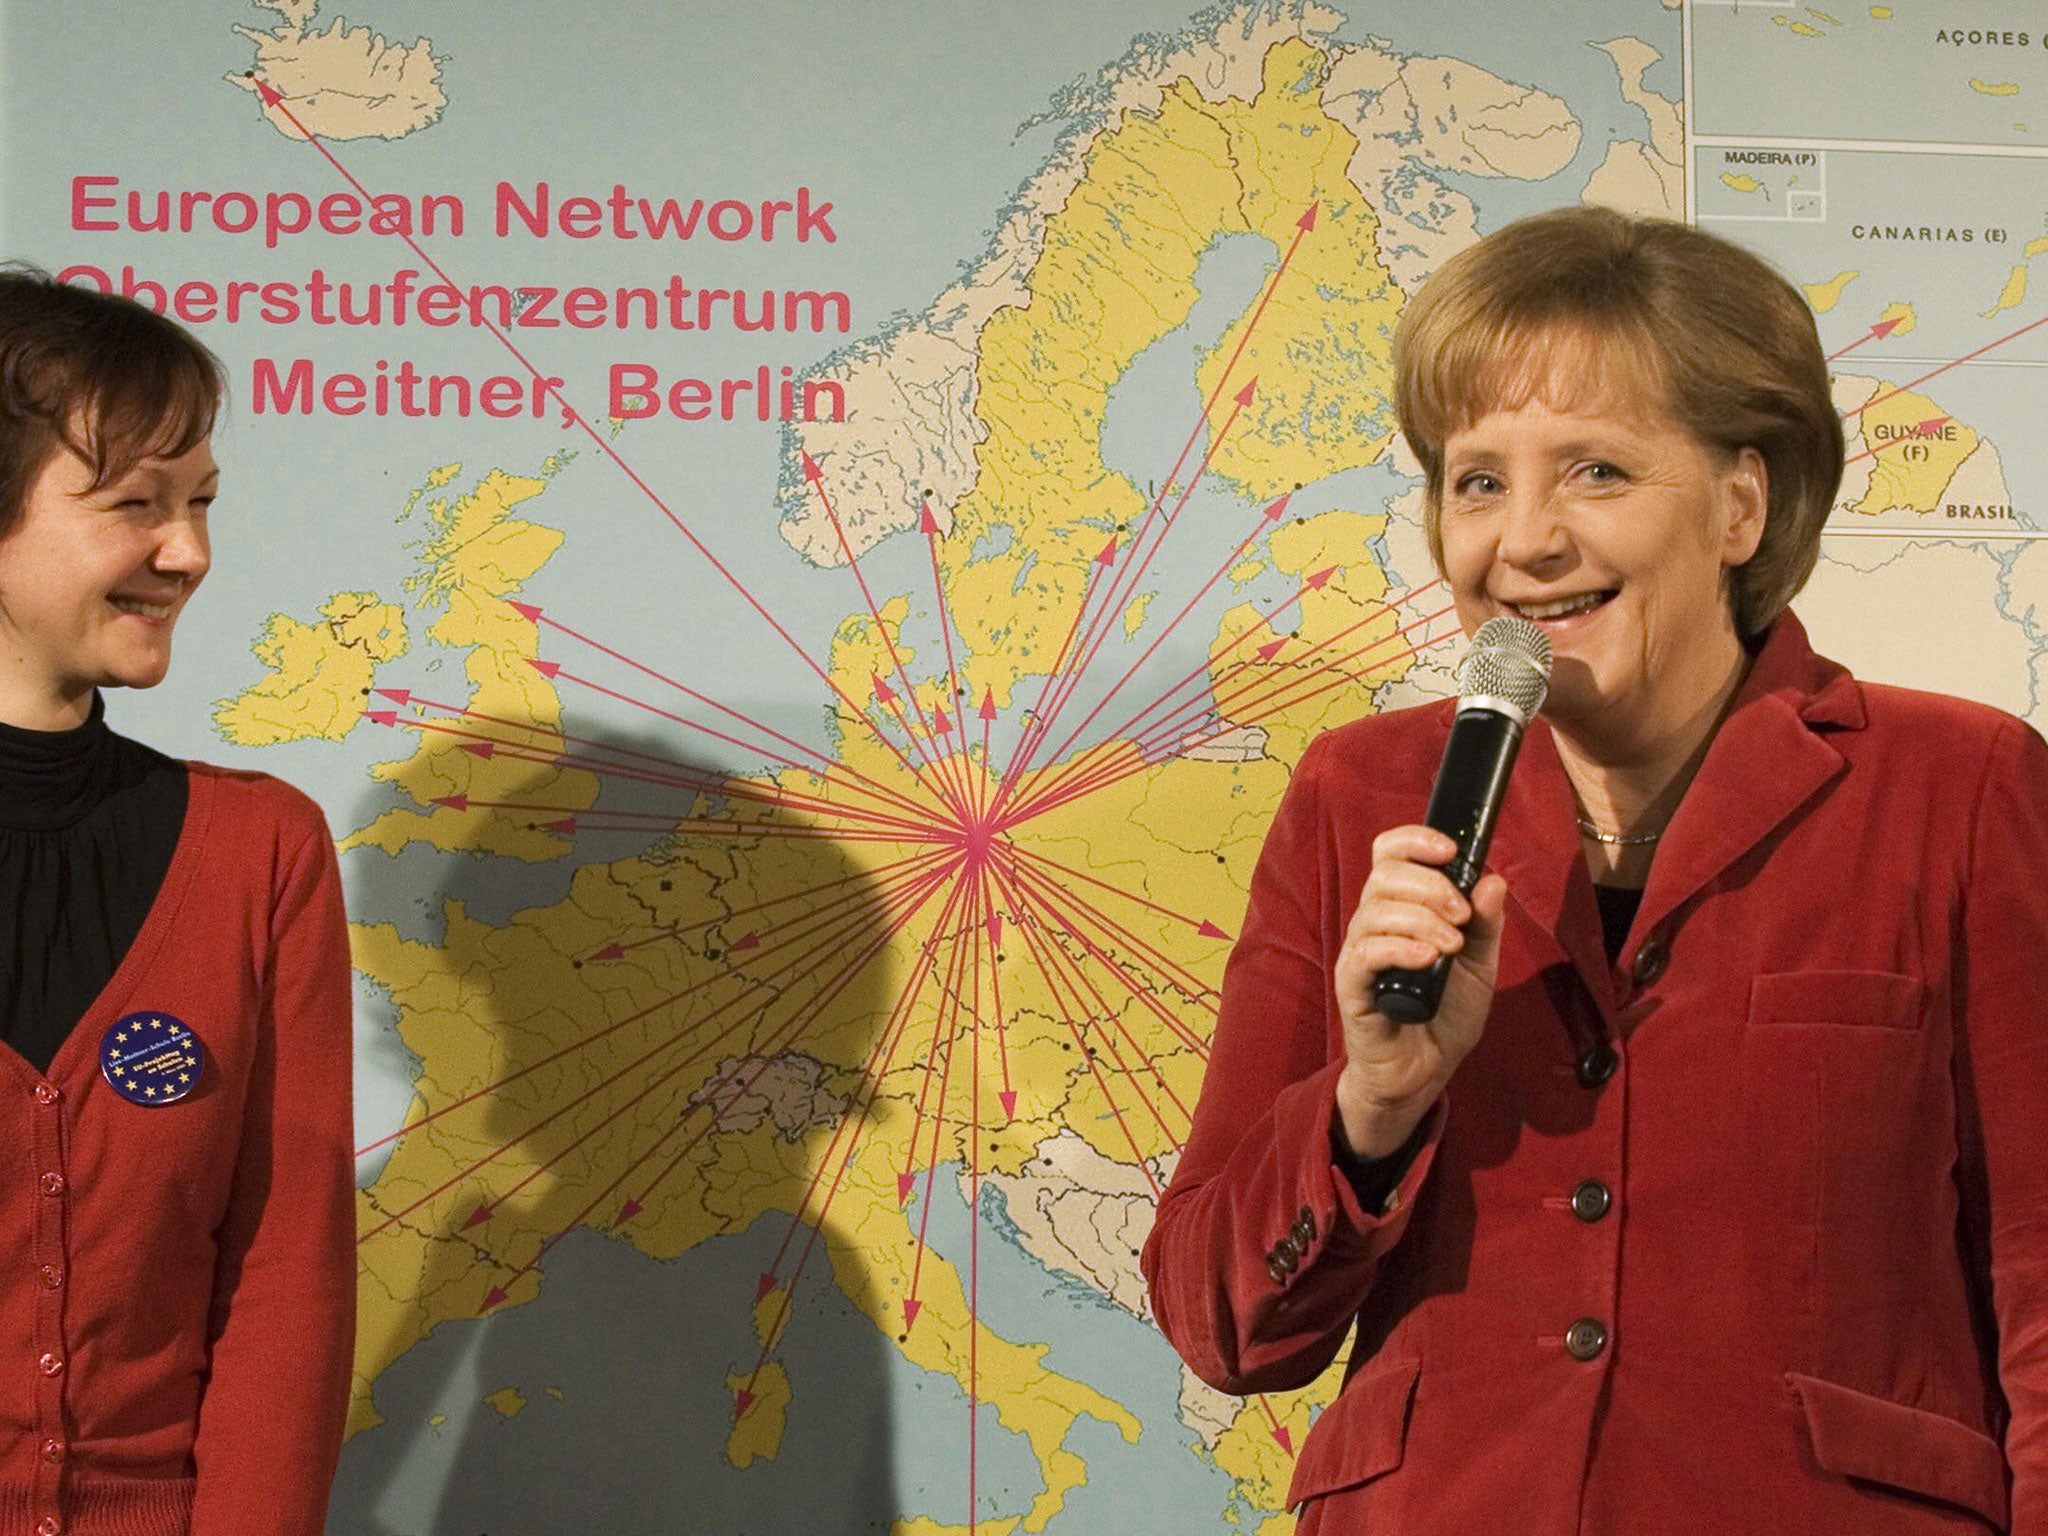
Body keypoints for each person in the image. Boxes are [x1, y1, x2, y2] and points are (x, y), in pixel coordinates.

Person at [1141, 206, 2048, 1535]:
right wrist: (1370, 1109)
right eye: (1478, 480)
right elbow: (1229, 1328)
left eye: (1598, 473)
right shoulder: (1362, 798)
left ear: (1744, 501)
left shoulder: (1957, 785)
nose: (1525, 541)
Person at [0, 266, 353, 1535]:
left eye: (199, 502)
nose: (189, 552)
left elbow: (284, 1280)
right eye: (133, 504)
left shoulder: (263, 851)